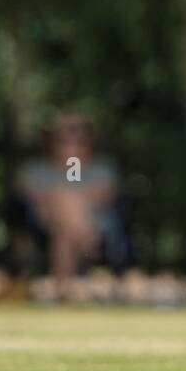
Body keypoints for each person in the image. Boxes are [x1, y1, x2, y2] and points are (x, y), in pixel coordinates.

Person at [16, 112, 122, 299]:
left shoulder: (102, 168)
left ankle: (63, 288)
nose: (72, 143)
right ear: (52, 141)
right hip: (71, 229)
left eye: (79, 137)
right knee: (63, 201)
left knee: (63, 229)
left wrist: (63, 197)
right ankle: (88, 246)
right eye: (64, 138)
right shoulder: (36, 169)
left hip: (90, 226)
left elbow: (105, 195)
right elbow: (29, 196)